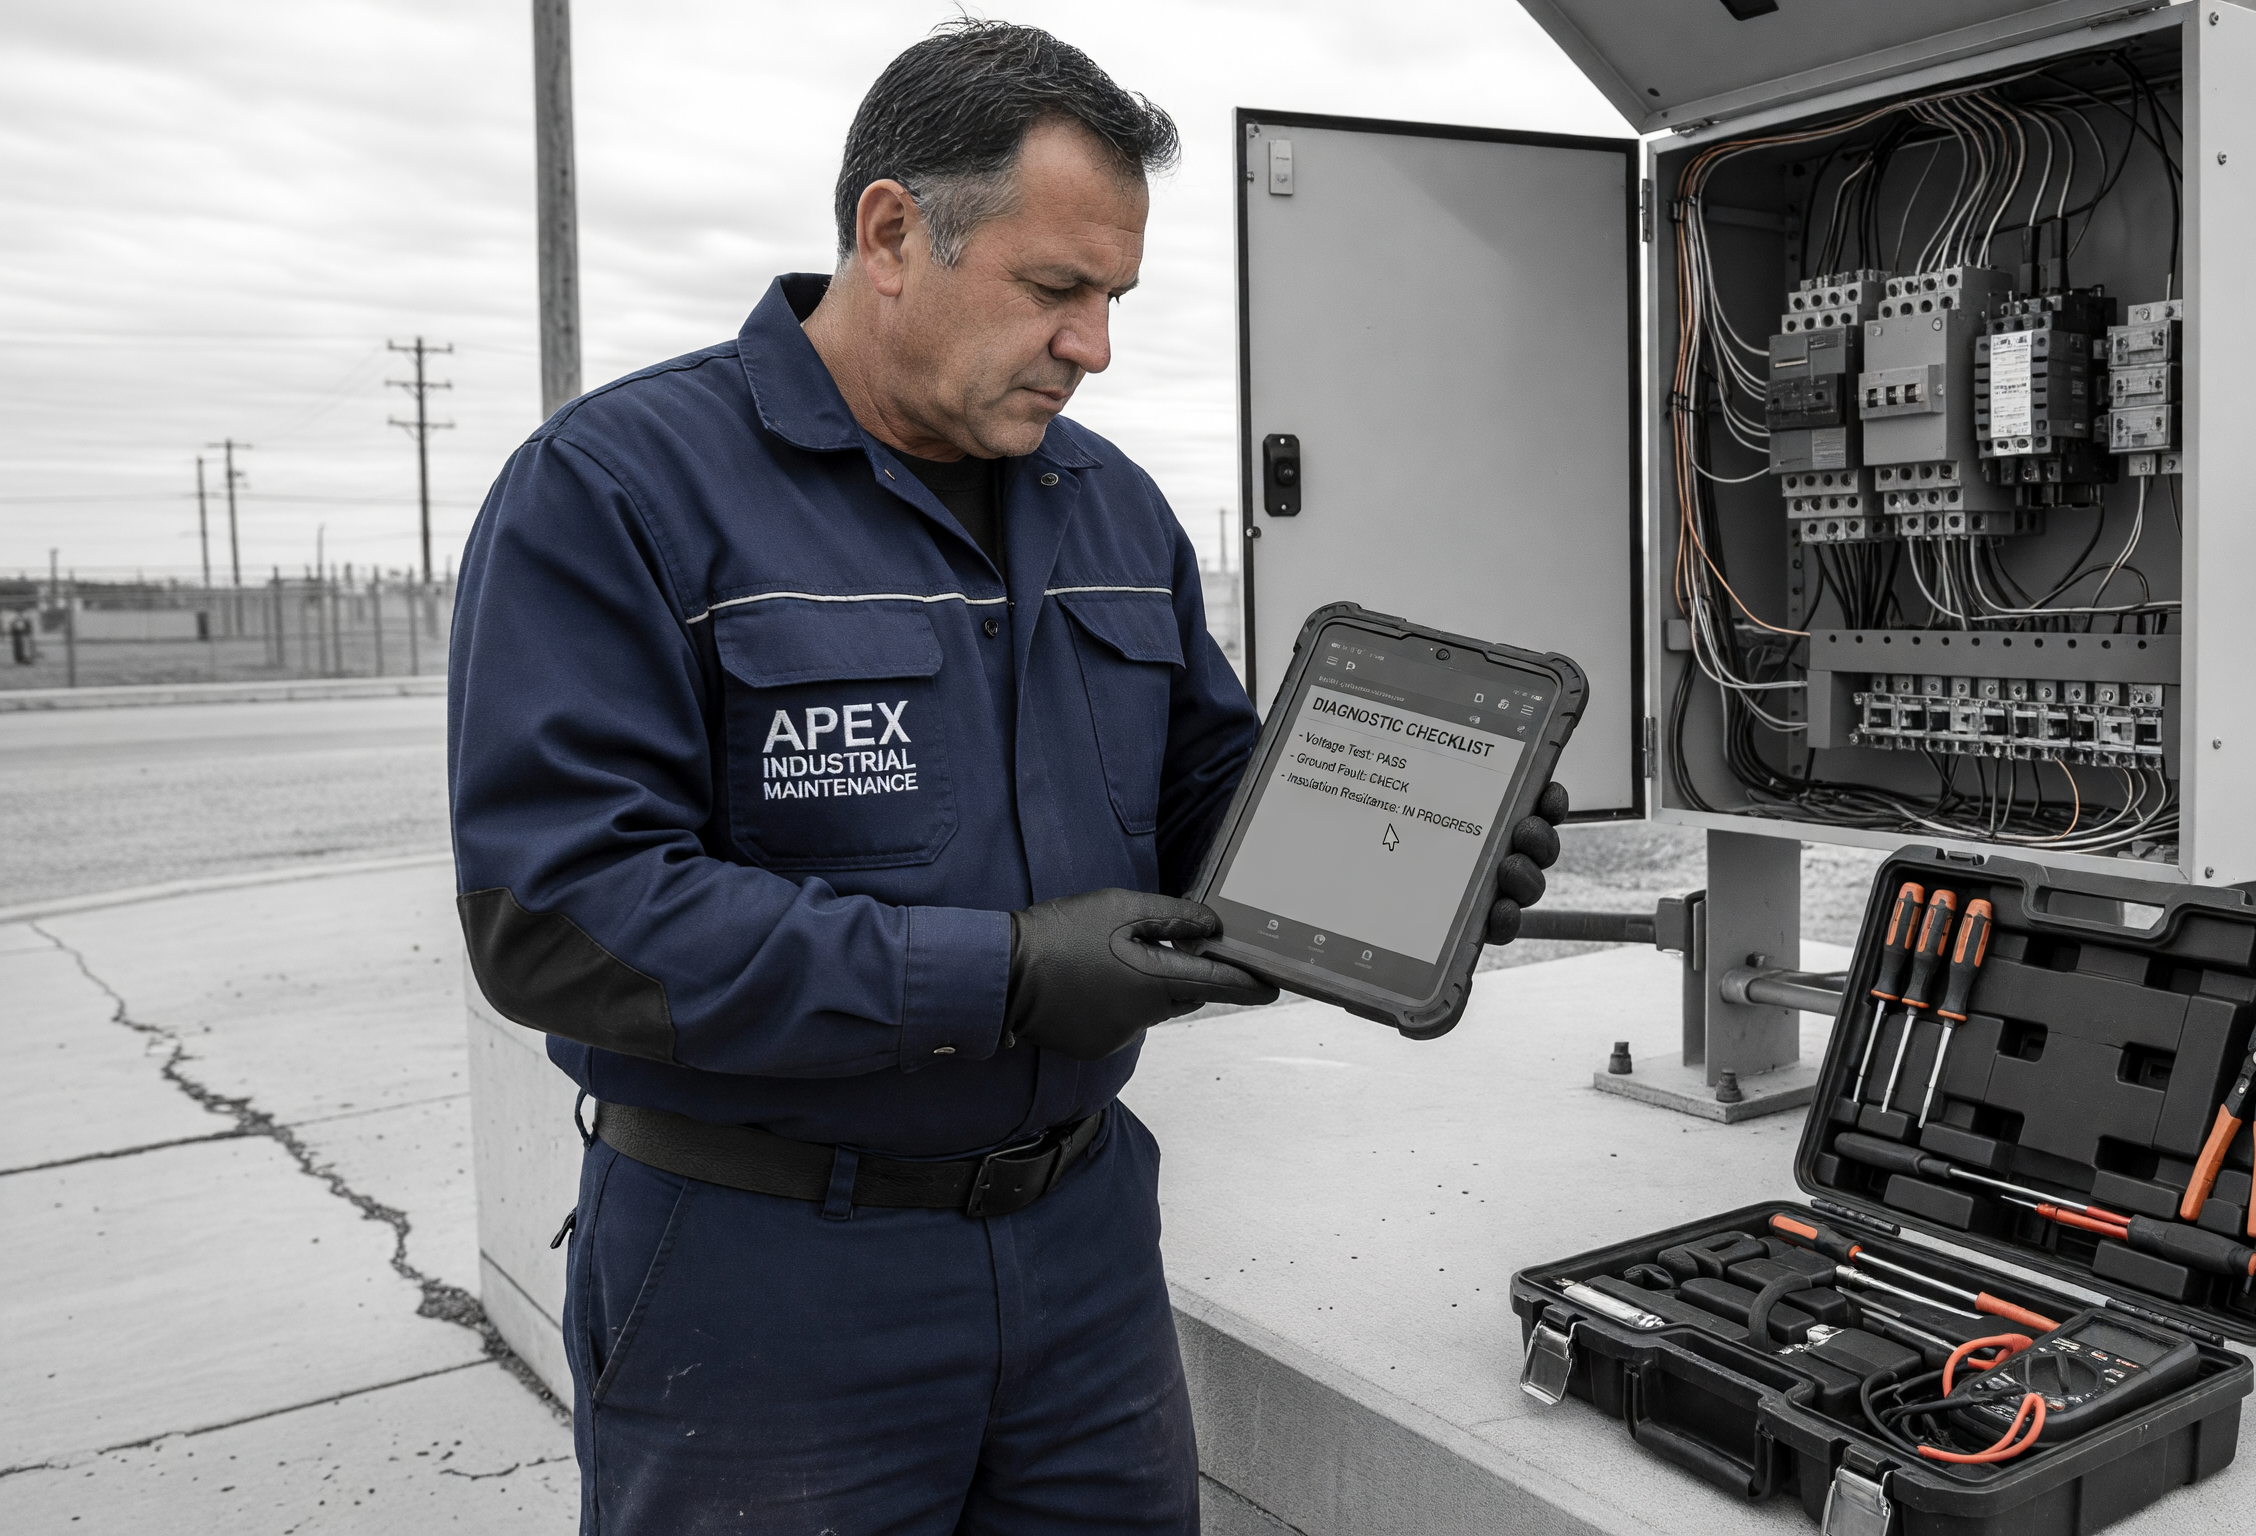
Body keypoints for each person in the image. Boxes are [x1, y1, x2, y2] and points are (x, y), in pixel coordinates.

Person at [446, 20, 1562, 1535]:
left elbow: (1197, 791)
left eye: (1115, 298)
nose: (1094, 346)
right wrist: (1007, 977)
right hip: (761, 1273)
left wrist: (1400, 857)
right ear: (893, 232)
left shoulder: (1110, 506)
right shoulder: (620, 490)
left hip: (1080, 1254)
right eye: (1057, 290)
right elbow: (565, 916)